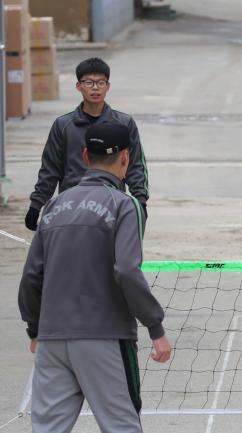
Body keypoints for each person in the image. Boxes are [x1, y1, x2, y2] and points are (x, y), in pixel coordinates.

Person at [18, 121, 171, 433]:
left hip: (52, 337)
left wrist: (35, 328)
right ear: (126, 158)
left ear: (86, 155)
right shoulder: (124, 205)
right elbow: (127, 270)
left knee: (46, 428)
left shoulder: (54, 205)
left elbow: (32, 276)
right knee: (121, 426)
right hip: (104, 337)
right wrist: (155, 326)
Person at [24, 57, 149, 231]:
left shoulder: (124, 124)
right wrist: (36, 204)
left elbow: (135, 165)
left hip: (111, 204)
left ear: (108, 86)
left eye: (100, 82)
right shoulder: (63, 126)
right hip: (71, 206)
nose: (95, 87)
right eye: (89, 82)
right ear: (78, 86)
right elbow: (50, 168)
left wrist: (140, 201)